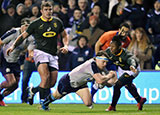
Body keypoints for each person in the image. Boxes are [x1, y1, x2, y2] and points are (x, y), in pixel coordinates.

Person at [7, 1, 69, 106]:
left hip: (53, 54)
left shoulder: (57, 22)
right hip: (40, 52)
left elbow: (64, 35)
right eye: (46, 10)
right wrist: (13, 46)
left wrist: (66, 45)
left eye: (50, 10)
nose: (48, 12)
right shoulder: (35, 24)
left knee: (52, 82)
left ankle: (33, 90)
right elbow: (23, 36)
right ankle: (43, 102)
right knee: (45, 78)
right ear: (41, 11)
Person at [41, 50, 118, 110]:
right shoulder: (92, 64)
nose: (105, 64)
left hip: (81, 84)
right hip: (68, 82)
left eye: (106, 62)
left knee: (88, 103)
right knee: (57, 96)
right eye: (103, 62)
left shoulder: (102, 68)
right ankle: (45, 103)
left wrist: (107, 83)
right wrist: (110, 76)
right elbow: (100, 80)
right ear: (97, 59)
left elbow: (109, 83)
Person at [105, 35, 147, 111]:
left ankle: (112, 106)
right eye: (110, 46)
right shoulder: (109, 51)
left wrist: (132, 66)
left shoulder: (125, 54)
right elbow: (102, 55)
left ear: (119, 47)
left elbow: (132, 60)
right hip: (122, 69)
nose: (111, 48)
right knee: (128, 85)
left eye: (113, 47)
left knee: (117, 85)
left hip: (132, 69)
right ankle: (140, 100)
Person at [0, 18, 34, 106]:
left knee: (15, 86)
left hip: (15, 61)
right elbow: (1, 41)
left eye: (28, 26)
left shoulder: (30, 37)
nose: (26, 28)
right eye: (25, 26)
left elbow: (30, 51)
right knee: (11, 82)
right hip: (4, 59)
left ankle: (0, 98)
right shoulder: (14, 32)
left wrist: (31, 55)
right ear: (21, 26)